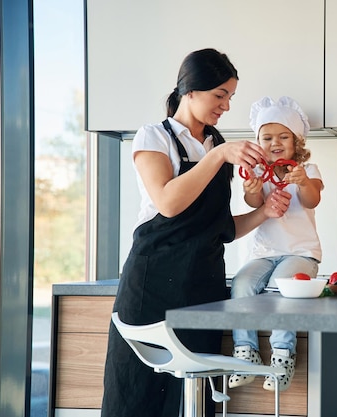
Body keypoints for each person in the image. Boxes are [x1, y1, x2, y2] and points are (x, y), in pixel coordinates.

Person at [100, 49, 291, 417]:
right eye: (220, 95)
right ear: (190, 90)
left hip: (202, 291)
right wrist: (217, 157)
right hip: (152, 288)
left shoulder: (216, 145)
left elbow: (221, 230)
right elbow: (169, 203)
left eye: (230, 97)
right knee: (136, 395)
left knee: (194, 401)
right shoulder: (154, 137)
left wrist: (264, 212)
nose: (227, 106)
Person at [228, 96, 323, 392]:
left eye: (284, 136)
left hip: (300, 253)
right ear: (258, 143)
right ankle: (246, 351)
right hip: (263, 253)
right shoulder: (257, 174)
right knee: (241, 284)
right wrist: (253, 190)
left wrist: (303, 182)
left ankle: (283, 355)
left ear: (296, 142)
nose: (275, 142)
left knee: (285, 284)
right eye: (267, 137)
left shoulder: (310, 171)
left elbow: (313, 199)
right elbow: (253, 202)